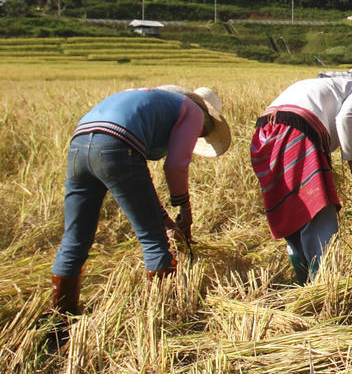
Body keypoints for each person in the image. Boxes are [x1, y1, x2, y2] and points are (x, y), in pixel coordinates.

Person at [51, 85, 232, 314]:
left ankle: (62, 313)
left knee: (75, 239)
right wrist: (184, 209)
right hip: (116, 146)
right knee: (154, 240)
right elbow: (176, 165)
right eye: (203, 132)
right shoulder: (194, 112)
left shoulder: (152, 103)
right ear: (206, 116)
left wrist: (167, 220)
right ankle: (164, 312)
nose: (198, 135)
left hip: (78, 146)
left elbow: (139, 190)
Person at [251, 66, 352, 284]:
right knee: (318, 208)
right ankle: (323, 285)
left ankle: (303, 281)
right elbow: (346, 117)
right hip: (297, 132)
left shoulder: (323, 86)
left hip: (265, 134)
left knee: (292, 208)